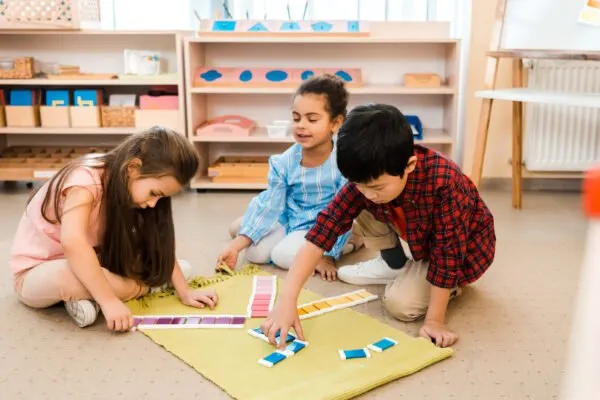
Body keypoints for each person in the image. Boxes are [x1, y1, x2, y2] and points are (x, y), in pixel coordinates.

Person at [261, 104, 496, 348]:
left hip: (462, 252)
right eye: (359, 185)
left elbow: (448, 253)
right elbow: (322, 232)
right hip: (415, 233)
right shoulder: (368, 182)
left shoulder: (445, 183)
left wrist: (435, 320)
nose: (368, 194)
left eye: (376, 187)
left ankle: (452, 286)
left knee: (400, 305)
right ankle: (393, 264)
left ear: (410, 166)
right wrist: (286, 302)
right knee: (355, 203)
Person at [10, 127, 218, 331]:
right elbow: (73, 243)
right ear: (132, 168)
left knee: (145, 258)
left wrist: (184, 291)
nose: (154, 203)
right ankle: (148, 287)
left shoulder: (128, 184)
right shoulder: (85, 184)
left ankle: (90, 296)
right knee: (64, 275)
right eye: (154, 193)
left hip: (93, 261)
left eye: (161, 197)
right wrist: (109, 301)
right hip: (35, 273)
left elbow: (156, 241)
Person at [218, 74, 362, 280]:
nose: (301, 125)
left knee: (282, 256)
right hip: (288, 218)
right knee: (255, 253)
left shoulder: (343, 162)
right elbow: (270, 205)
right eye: (296, 118)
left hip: (321, 226)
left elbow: (341, 212)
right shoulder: (283, 162)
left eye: (312, 119)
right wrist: (236, 245)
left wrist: (328, 256)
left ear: (336, 123)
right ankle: (249, 229)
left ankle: (351, 242)